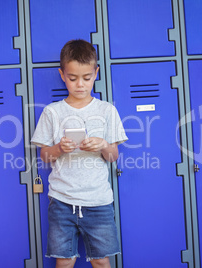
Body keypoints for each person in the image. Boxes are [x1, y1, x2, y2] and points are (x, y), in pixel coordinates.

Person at [31, 39, 128, 268]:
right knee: (64, 261)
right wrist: (59, 149)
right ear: (62, 75)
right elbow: (44, 156)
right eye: (73, 78)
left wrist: (103, 145)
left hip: (99, 201)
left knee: (102, 261)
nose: (80, 85)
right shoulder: (52, 112)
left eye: (86, 78)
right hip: (62, 201)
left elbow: (113, 155)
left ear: (96, 73)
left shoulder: (107, 110)